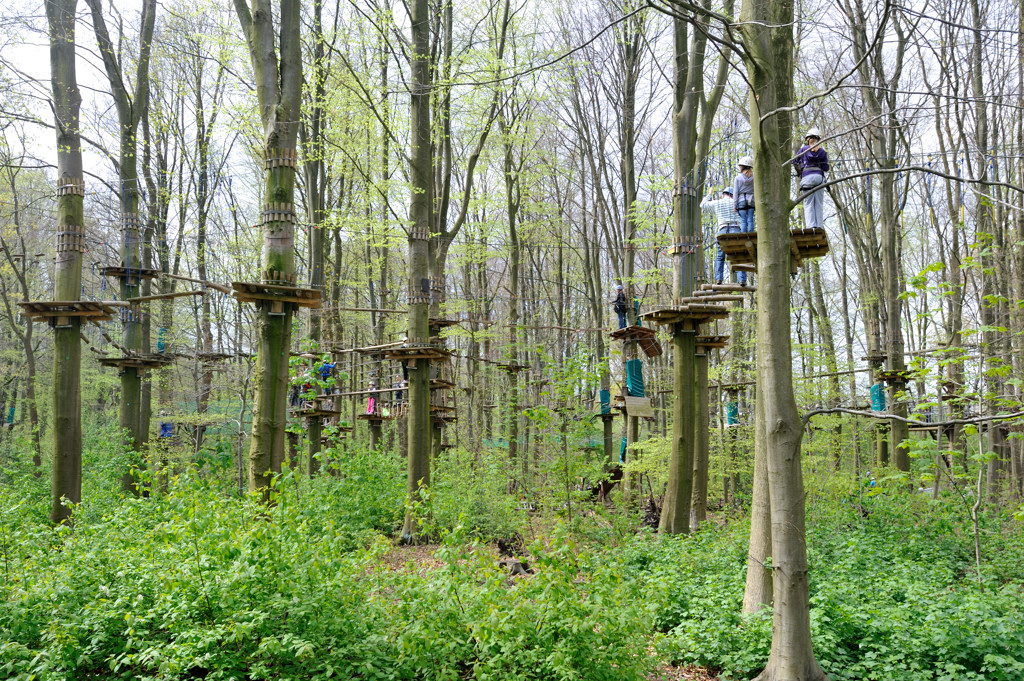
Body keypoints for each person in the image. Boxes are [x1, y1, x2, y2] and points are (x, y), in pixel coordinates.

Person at [701, 186, 745, 286]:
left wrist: (709, 194)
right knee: (738, 256)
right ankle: (742, 279)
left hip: (723, 231)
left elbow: (703, 205)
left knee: (720, 257)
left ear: (723, 195)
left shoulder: (718, 203)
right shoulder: (737, 203)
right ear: (733, 195)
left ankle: (718, 279)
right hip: (736, 231)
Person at [794, 127, 830, 229]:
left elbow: (794, 162)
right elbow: (825, 168)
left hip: (807, 179)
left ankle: (810, 226)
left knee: (808, 203)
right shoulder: (822, 152)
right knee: (818, 203)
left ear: (807, 139)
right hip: (819, 178)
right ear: (818, 139)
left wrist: (799, 171)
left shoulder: (803, 150)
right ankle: (819, 226)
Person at [732, 156, 755, 233]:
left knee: (743, 221)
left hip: (741, 200)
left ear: (743, 166)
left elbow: (735, 193)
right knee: (750, 219)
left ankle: (744, 236)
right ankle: (751, 234)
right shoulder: (755, 177)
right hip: (751, 199)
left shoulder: (738, 178)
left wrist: (735, 206)